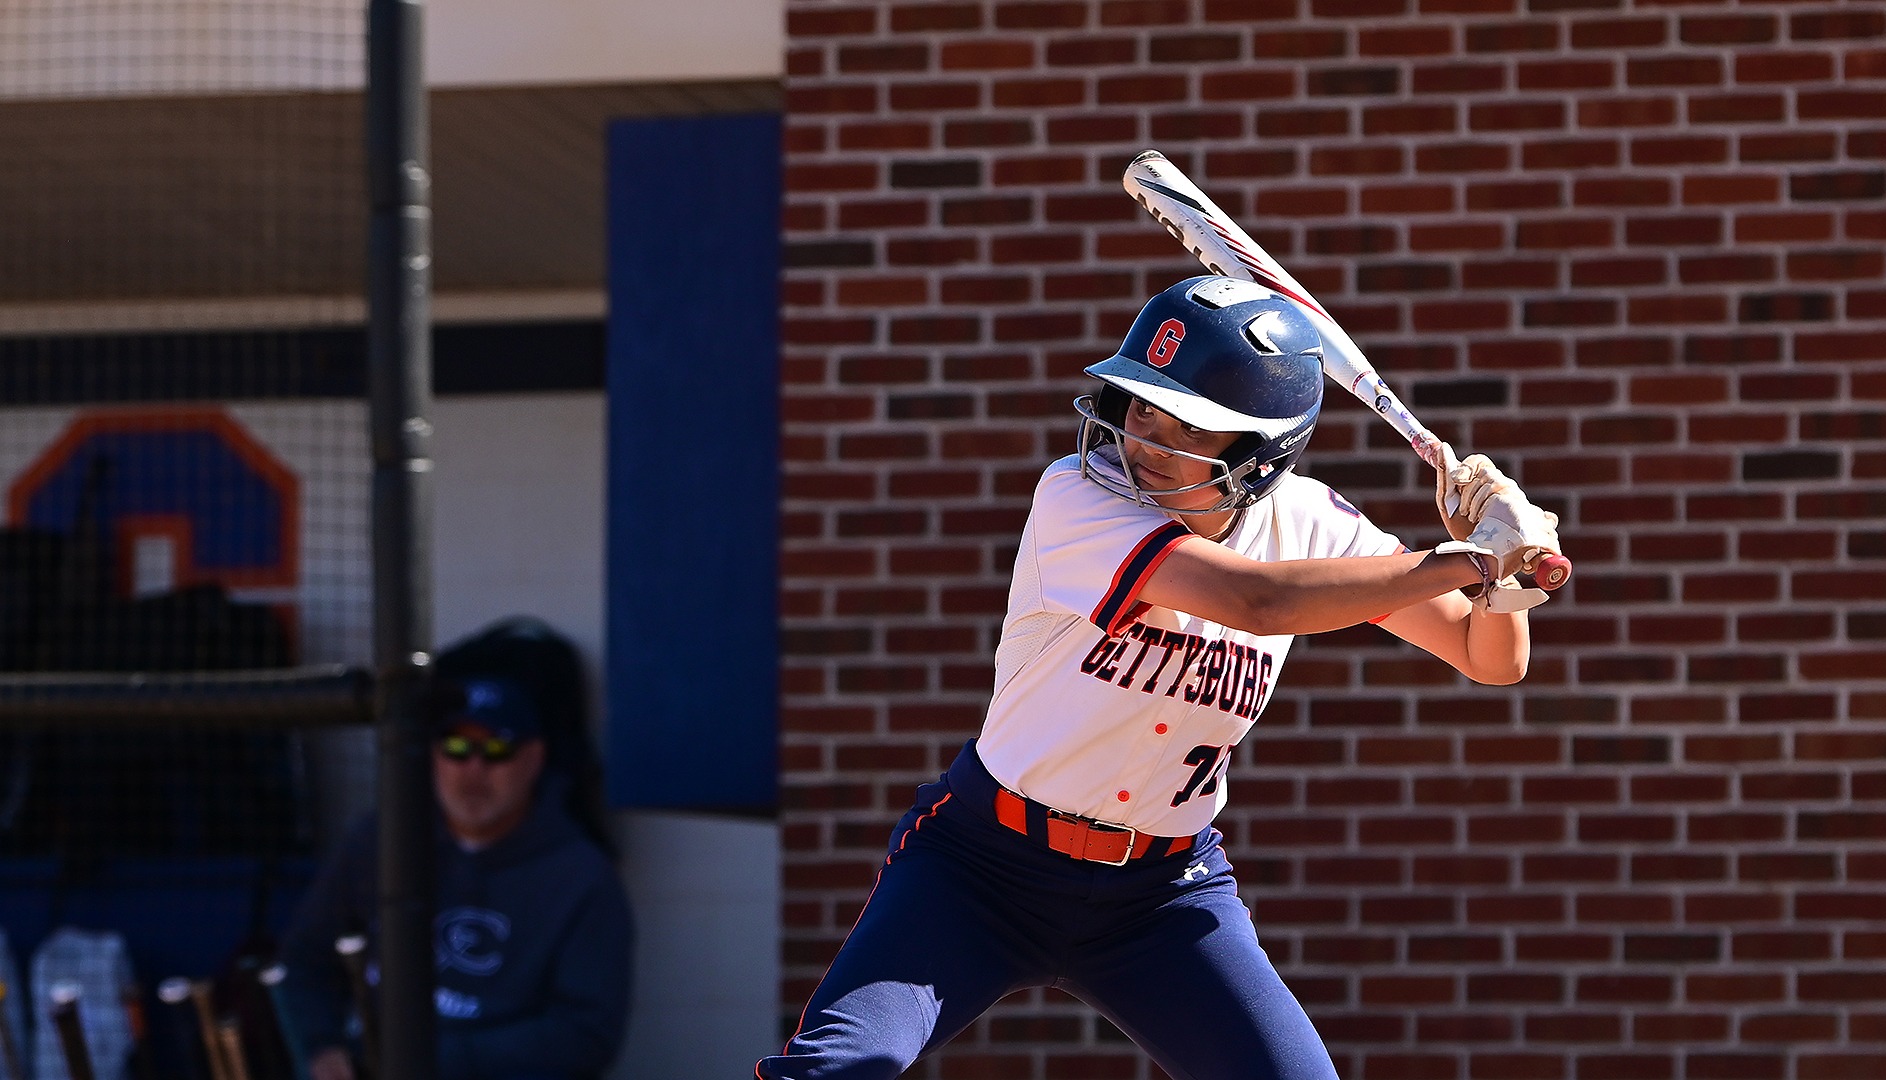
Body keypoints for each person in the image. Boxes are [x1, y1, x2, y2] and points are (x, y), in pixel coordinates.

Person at [756, 275, 1563, 1080]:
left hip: (1164, 893)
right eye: (1142, 403)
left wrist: (1506, 577)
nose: (1143, 436)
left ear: (1258, 451)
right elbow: (1257, 599)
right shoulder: (1078, 497)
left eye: (1185, 422)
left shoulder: (1313, 522)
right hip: (983, 868)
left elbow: (1491, 658)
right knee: (841, 1069)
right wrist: (1462, 557)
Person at [279, 675, 634, 1080]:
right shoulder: (379, 841)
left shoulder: (583, 877)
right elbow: (305, 961)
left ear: (534, 759)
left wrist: (431, 1062)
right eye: (457, 748)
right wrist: (323, 1046)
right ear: (433, 755)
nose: (474, 770)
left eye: (497, 749)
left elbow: (586, 1036)